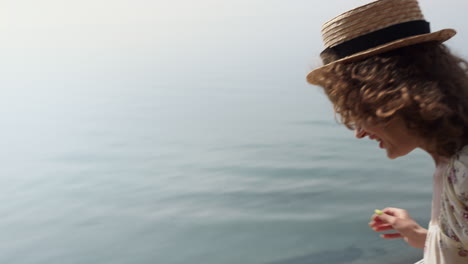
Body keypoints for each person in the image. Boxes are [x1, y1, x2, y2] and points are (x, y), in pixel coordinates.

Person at [306, 0, 468, 263]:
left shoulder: (464, 172)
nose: (358, 132)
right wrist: (426, 239)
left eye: (358, 111)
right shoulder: (450, 161)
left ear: (390, 97)